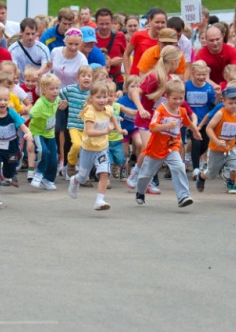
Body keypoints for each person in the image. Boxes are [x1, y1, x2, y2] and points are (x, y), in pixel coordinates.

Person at [125, 45, 184, 195]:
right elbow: (135, 92)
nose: (179, 64)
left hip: (159, 122)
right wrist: (141, 109)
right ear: (173, 61)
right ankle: (142, 178)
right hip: (146, 121)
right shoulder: (154, 77)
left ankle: (137, 173)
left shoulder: (170, 79)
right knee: (150, 151)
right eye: (178, 61)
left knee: (153, 152)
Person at [134, 79, 200, 208]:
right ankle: (140, 191)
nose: (178, 101)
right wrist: (167, 125)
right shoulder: (161, 110)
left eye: (181, 98)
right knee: (146, 174)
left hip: (172, 146)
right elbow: (152, 127)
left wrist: (196, 131)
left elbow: (187, 122)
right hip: (156, 148)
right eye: (174, 98)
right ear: (167, 97)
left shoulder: (181, 111)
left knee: (179, 167)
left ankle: (183, 196)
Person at [66, 80, 125, 211]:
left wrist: (119, 130)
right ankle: (74, 181)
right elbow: (90, 132)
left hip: (102, 148)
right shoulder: (90, 112)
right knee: (82, 176)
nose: (102, 100)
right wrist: (106, 131)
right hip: (88, 149)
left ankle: (100, 200)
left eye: (105, 97)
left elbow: (113, 118)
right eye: (98, 97)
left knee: (104, 173)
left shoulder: (108, 109)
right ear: (91, 98)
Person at [197, 86, 236, 206]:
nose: (233, 106)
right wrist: (216, 141)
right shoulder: (220, 114)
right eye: (230, 103)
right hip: (216, 149)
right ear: (223, 102)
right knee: (211, 174)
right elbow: (209, 128)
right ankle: (201, 176)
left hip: (231, 148)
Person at [185, 61, 217, 179]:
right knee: (196, 143)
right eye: (198, 75)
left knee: (205, 144)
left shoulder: (209, 88)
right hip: (191, 121)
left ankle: (192, 156)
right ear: (193, 74)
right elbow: (183, 103)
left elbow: (212, 105)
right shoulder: (186, 86)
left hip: (205, 121)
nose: (201, 77)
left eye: (204, 75)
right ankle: (196, 169)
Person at [29, 73, 61, 190]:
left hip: (50, 133)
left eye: (57, 88)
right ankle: (38, 173)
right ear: (43, 90)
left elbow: (61, 101)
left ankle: (48, 179)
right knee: (43, 151)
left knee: (53, 157)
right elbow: (30, 114)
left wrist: (64, 103)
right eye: (51, 89)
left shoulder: (56, 99)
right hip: (38, 132)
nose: (55, 91)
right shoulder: (40, 103)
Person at [124, 8, 166, 75]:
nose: (160, 25)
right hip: (137, 79)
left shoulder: (167, 40)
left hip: (157, 79)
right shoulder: (138, 35)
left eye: (163, 22)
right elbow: (126, 54)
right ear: (149, 21)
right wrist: (128, 75)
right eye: (157, 22)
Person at [94, 8, 127, 88]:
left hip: (116, 80)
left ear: (112, 22)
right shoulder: (92, 38)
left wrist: (128, 77)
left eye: (107, 24)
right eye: (101, 24)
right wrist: (110, 63)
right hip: (96, 82)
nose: (104, 27)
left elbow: (126, 56)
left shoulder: (120, 36)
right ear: (96, 23)